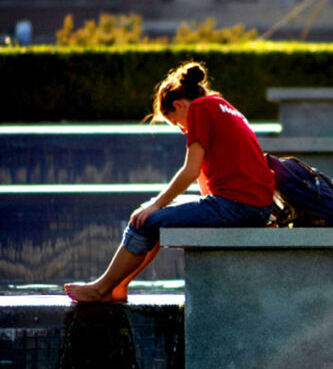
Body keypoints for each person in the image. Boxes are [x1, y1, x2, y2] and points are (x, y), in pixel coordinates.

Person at [65, 61, 275, 302]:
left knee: (145, 220)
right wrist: (165, 205)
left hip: (237, 206)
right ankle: (118, 285)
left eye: (176, 123)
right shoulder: (222, 105)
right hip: (255, 206)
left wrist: (156, 204)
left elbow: (189, 170)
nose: (183, 130)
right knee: (156, 215)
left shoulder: (199, 109)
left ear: (178, 105)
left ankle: (101, 287)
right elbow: (204, 175)